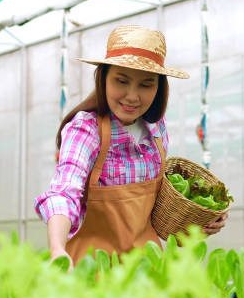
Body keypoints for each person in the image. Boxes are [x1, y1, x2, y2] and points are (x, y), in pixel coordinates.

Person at [34, 24, 228, 267]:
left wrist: (199, 220)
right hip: (92, 269)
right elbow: (64, 192)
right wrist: (57, 249)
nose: (132, 96)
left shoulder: (157, 129)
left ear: (159, 88)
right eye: (122, 81)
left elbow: (156, 212)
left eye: (146, 85)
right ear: (103, 78)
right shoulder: (86, 129)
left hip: (145, 269)